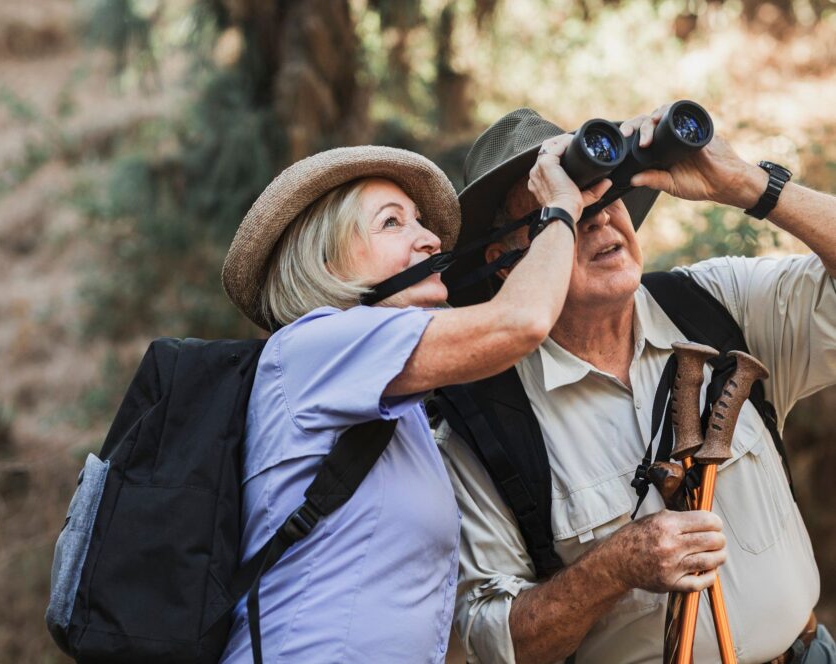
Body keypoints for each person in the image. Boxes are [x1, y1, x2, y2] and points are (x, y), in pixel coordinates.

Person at [436, 104, 836, 663]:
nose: (600, 217)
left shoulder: (715, 305)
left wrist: (750, 185)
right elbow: (495, 642)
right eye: (566, 209)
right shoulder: (485, 426)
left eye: (606, 195)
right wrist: (615, 566)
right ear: (505, 261)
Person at [217, 144, 607, 662]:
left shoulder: (401, 402)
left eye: (420, 221)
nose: (430, 239)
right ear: (327, 260)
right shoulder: (316, 346)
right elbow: (521, 323)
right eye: (392, 223)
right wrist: (559, 210)